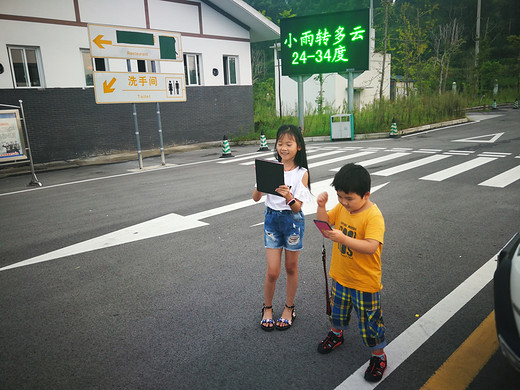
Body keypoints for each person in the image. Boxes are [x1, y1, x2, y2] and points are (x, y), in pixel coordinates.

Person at [315, 163, 387, 382]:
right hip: (341, 275)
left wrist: (344, 239)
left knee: (370, 322)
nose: (344, 203)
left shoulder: (372, 216)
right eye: (340, 197)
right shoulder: (343, 208)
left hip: (365, 281)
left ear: (366, 195)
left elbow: (371, 246)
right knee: (337, 312)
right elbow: (324, 223)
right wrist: (321, 206)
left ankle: (378, 356)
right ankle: (336, 335)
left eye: (349, 198)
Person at [253, 124, 311, 331]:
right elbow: (255, 198)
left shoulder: (301, 173)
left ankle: (289, 308)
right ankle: (267, 308)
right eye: (280, 143)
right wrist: (260, 181)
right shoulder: (271, 168)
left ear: (299, 147)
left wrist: (288, 196)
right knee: (273, 271)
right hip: (271, 220)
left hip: (292, 222)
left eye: (289, 143)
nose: (283, 148)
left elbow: (297, 208)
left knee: (291, 268)